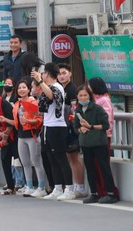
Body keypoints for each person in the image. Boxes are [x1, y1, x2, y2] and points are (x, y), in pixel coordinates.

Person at [31, 63, 73, 200]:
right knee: (51, 159)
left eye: (43, 73)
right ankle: (58, 187)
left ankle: (69, 189)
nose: (41, 76)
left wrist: (40, 81)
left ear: (47, 74)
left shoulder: (57, 86)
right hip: (47, 126)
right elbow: (45, 106)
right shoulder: (47, 87)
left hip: (57, 127)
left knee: (61, 158)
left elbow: (51, 96)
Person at [73, 85, 118, 204]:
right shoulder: (77, 110)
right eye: (80, 95)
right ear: (77, 97)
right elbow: (75, 127)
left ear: (90, 96)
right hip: (86, 143)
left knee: (104, 167)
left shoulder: (97, 108)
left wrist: (90, 126)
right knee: (90, 168)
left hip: (99, 142)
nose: (83, 98)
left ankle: (110, 193)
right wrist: (80, 129)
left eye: (85, 95)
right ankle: (94, 193)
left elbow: (105, 125)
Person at [13, 79, 47, 197]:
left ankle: (42, 187)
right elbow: (16, 121)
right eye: (19, 88)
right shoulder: (17, 104)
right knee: (25, 163)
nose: (21, 90)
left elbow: (40, 120)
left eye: (24, 87)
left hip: (32, 135)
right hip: (21, 136)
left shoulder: (33, 102)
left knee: (36, 162)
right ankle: (29, 186)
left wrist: (28, 121)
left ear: (29, 89)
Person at [58, 63, 86, 200]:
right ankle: (75, 186)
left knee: (74, 157)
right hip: (63, 126)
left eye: (64, 73)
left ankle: (80, 187)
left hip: (72, 127)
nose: (61, 76)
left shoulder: (73, 89)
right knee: (69, 157)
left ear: (70, 74)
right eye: (59, 74)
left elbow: (74, 110)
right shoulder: (60, 89)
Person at [88, 77, 118, 199]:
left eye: (89, 85)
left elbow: (105, 119)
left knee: (102, 165)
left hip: (102, 136)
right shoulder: (92, 99)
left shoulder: (104, 100)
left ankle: (109, 192)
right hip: (92, 136)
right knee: (94, 165)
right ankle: (99, 192)